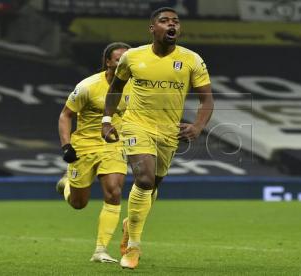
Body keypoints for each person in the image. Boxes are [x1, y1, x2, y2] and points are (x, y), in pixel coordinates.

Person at [101, 7, 214, 269]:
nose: (171, 24)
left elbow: (207, 99)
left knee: (153, 186)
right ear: (153, 29)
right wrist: (106, 120)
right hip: (136, 125)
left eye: (175, 21)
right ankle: (133, 247)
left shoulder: (192, 60)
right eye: (164, 21)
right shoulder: (132, 57)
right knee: (144, 178)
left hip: (169, 131)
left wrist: (198, 126)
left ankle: (132, 224)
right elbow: (116, 88)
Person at [56, 42, 132, 263]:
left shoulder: (135, 87)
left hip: (113, 145)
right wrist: (66, 146)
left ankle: (100, 250)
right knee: (79, 204)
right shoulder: (88, 86)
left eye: (126, 60)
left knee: (114, 192)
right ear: (108, 62)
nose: (122, 63)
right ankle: (67, 185)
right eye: (118, 59)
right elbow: (65, 115)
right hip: (85, 146)